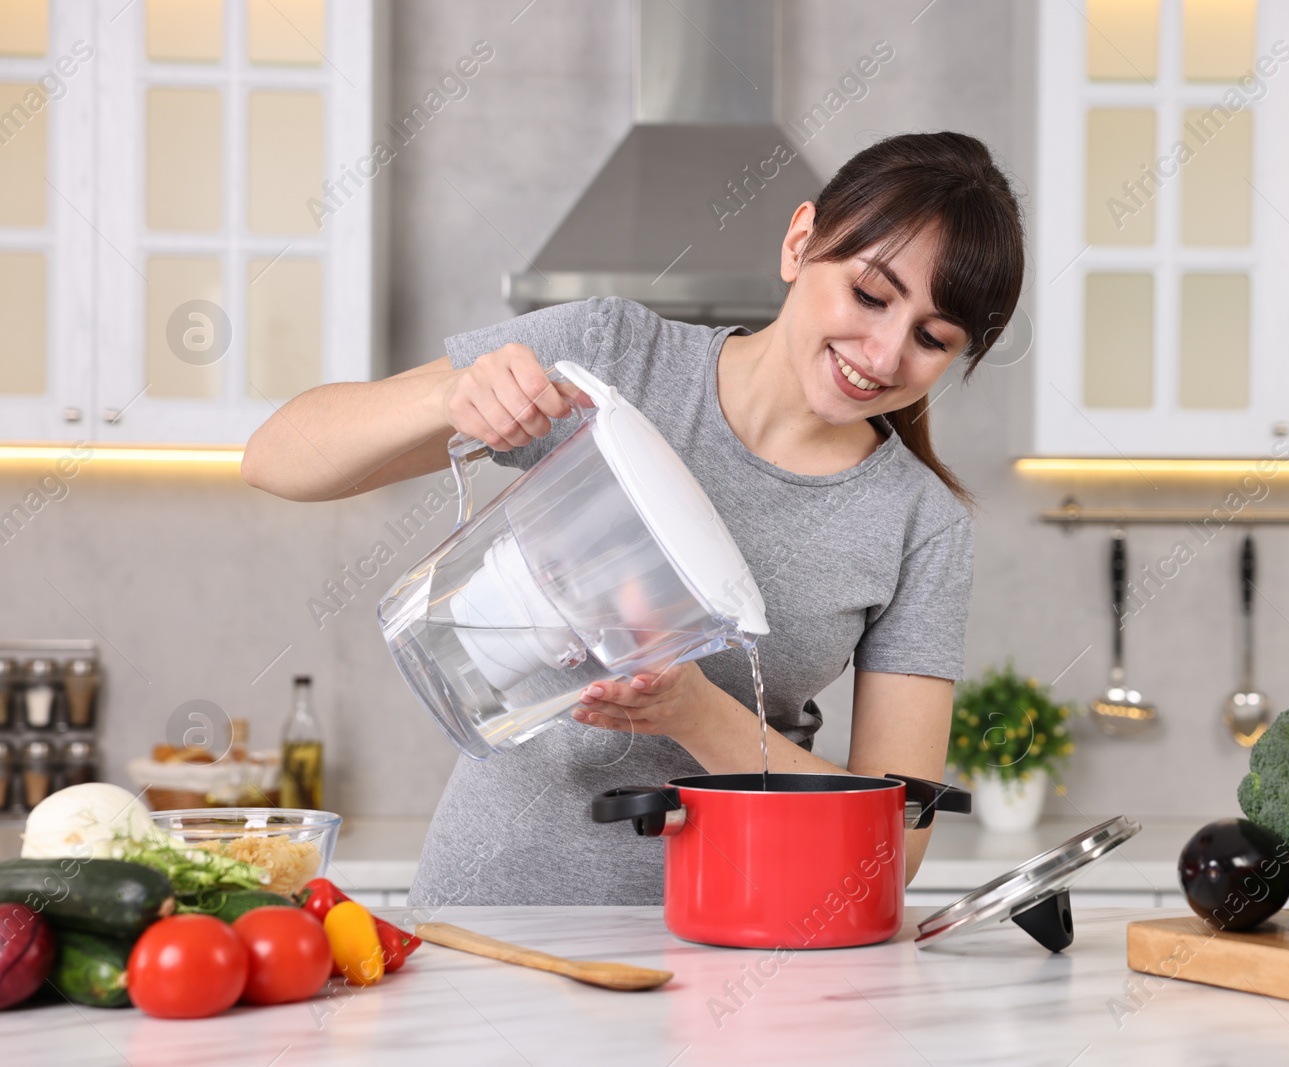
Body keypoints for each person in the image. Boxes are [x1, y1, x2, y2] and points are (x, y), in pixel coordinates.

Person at [242, 130, 1025, 905]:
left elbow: (895, 847)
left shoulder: (920, 525)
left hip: (736, 932)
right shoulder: (613, 359)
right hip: (489, 916)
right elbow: (275, 458)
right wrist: (446, 398)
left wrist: (694, 714)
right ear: (799, 243)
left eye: (931, 338)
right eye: (870, 294)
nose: (884, 355)